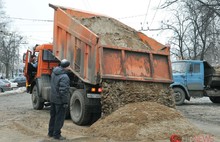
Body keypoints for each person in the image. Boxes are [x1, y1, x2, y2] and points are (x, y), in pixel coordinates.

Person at [48, 59, 70, 140]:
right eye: (68, 66)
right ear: (66, 67)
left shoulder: (54, 72)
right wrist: (65, 102)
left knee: (53, 116)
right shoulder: (64, 77)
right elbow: (63, 91)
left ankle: (50, 133)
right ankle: (57, 135)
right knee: (59, 118)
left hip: (53, 98)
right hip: (60, 101)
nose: (69, 68)